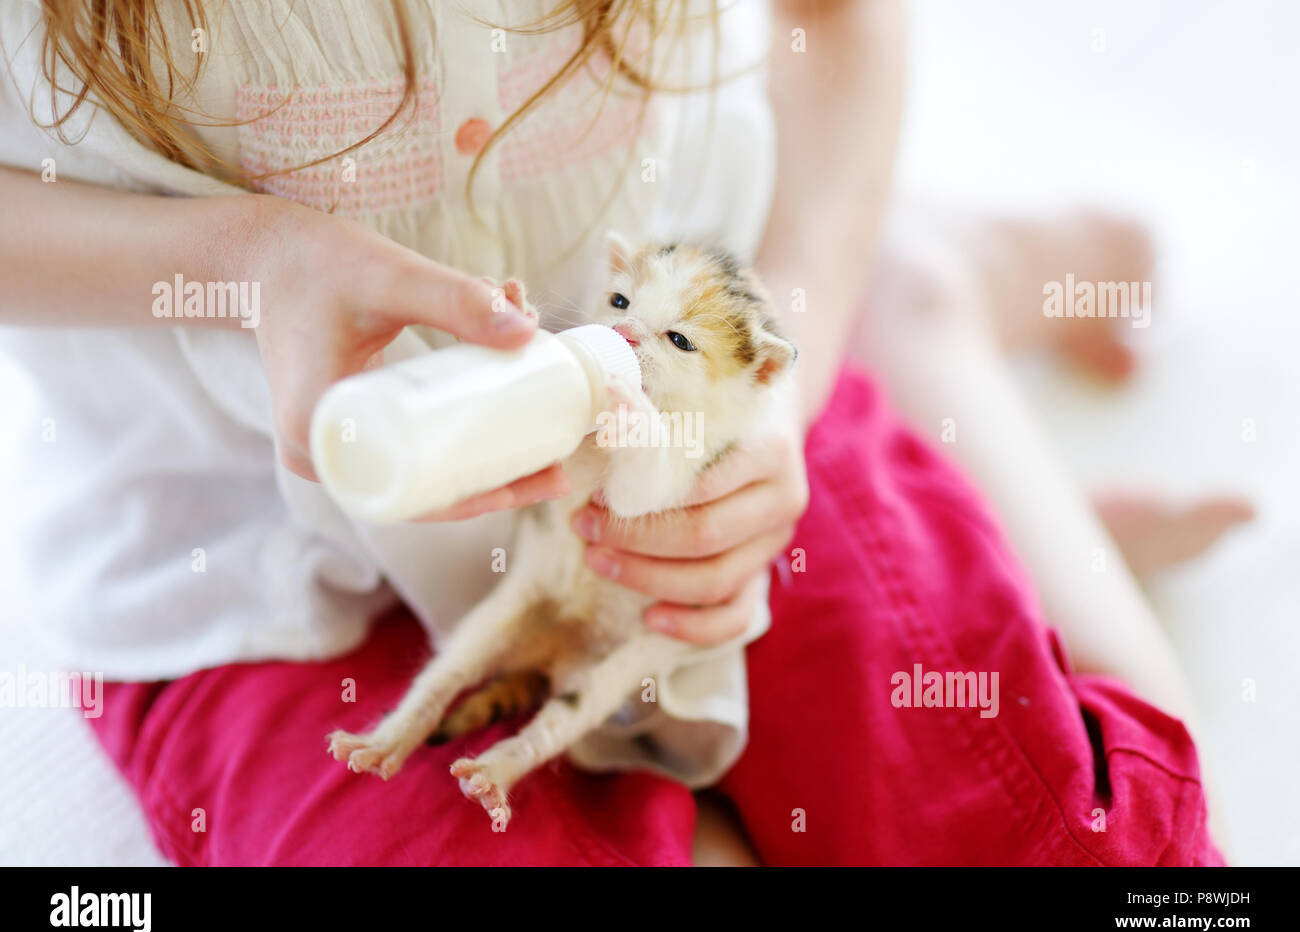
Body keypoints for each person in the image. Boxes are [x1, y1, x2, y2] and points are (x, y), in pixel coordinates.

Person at [0, 0, 1223, 864]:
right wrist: (236, 263)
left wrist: (785, 358)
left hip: (706, 409)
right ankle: (920, 308)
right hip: (246, 536)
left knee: (1099, 851)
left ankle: (912, 296)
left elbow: (838, 18)